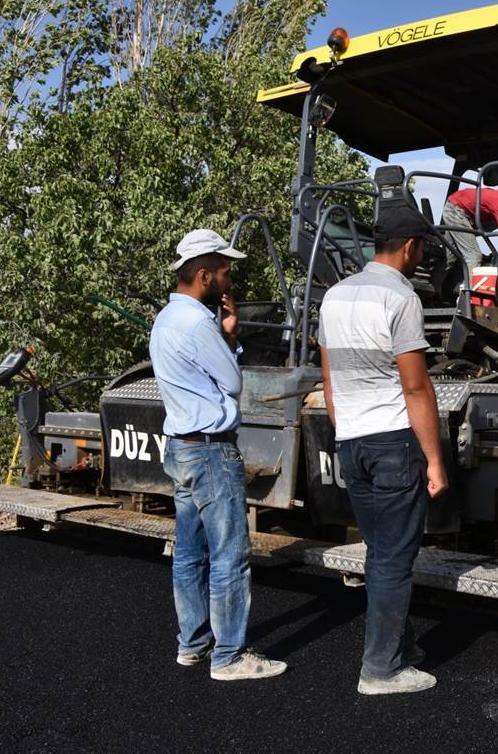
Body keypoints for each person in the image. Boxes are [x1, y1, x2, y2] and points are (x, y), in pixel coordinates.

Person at [319, 205, 450, 695]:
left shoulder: (334, 296)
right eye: (423, 249)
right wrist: (435, 460)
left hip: (352, 441)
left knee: (380, 553)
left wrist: (346, 429)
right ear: (411, 247)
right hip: (393, 442)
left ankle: (402, 648)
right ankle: (381, 671)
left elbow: (329, 380)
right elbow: (416, 389)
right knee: (395, 558)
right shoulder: (401, 297)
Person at [150, 229, 286, 681]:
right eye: (225, 271)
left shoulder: (166, 319)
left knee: (190, 553)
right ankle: (229, 656)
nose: (230, 279)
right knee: (229, 555)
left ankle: (192, 644)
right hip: (210, 453)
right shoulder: (196, 324)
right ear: (204, 274)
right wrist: (231, 335)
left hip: (182, 450)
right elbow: (231, 381)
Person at [440, 185, 498, 269]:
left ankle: (448, 276)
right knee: (474, 256)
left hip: (467, 213)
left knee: (451, 258)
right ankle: (469, 288)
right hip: (455, 210)